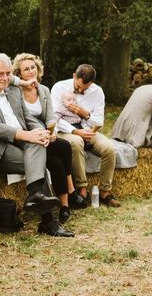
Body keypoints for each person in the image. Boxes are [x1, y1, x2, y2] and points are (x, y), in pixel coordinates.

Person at [0, 53, 73, 237]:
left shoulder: (13, 90)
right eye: (0, 74)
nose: (5, 78)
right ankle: (47, 219)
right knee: (37, 161)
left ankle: (36, 198)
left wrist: (41, 132)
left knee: (38, 144)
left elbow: (27, 117)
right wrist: (26, 135)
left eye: (8, 73)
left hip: (18, 140)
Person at [12, 53, 88, 224]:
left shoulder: (43, 90)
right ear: (19, 73)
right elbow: (20, 119)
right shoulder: (15, 91)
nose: (31, 71)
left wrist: (51, 132)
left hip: (45, 132)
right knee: (64, 148)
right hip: (27, 135)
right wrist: (41, 133)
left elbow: (50, 117)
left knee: (56, 158)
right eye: (26, 69)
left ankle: (64, 205)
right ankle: (69, 193)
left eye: (33, 67)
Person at [51, 64, 120, 207]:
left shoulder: (98, 92)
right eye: (78, 86)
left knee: (109, 149)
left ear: (92, 83)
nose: (81, 90)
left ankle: (104, 192)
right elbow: (54, 118)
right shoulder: (59, 88)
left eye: (85, 88)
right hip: (66, 130)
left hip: (89, 130)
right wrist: (75, 131)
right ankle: (82, 189)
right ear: (74, 76)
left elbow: (99, 121)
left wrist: (86, 114)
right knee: (76, 143)